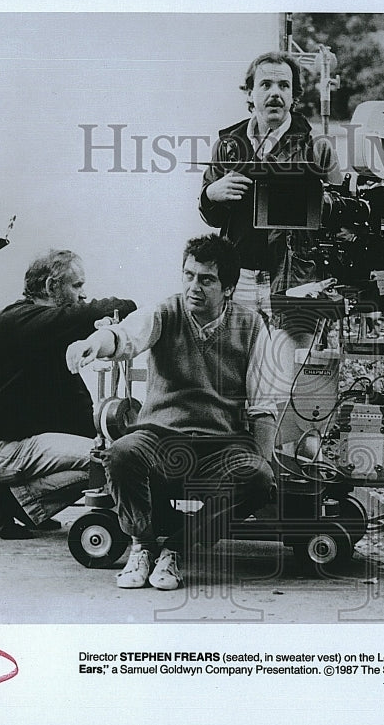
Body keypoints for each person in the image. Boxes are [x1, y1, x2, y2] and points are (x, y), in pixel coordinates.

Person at [66, 234, 276, 591]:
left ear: (228, 287)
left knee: (258, 478)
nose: (194, 286)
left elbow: (263, 407)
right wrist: (92, 344)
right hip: (160, 438)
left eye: (206, 279)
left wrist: (264, 463)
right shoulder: (164, 312)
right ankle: (143, 545)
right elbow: (124, 336)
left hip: (221, 445)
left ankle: (178, 547)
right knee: (119, 454)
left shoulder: (252, 326)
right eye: (189, 275)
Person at [0, 250, 137, 539]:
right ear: (52, 286)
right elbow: (99, 310)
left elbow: (75, 400)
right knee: (107, 459)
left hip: (3, 444)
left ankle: (12, 503)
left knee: (101, 451)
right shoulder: (21, 319)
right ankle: (5, 501)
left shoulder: (41, 329)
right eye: (76, 286)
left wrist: (101, 435)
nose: (82, 295)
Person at [199, 50, 341, 316]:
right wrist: (210, 194)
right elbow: (213, 219)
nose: (275, 93)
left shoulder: (318, 148)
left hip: (294, 280)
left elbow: (341, 219)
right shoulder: (228, 145)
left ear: (294, 96)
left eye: (284, 86)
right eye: (265, 85)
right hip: (237, 279)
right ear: (250, 93)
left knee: (289, 357)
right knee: (238, 355)